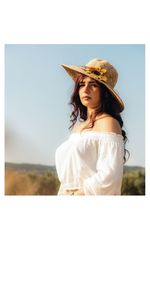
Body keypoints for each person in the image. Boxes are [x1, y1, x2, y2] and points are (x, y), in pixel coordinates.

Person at [55, 58, 128, 195]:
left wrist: (80, 193)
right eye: (82, 84)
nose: (85, 89)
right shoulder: (78, 127)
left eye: (93, 85)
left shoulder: (109, 123)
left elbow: (109, 176)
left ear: (104, 93)